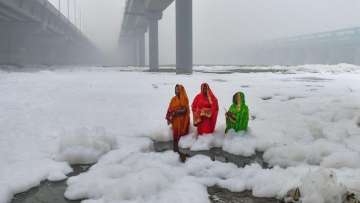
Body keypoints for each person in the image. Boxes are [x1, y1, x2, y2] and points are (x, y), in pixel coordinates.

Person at [166, 84, 190, 152]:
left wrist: (175, 112)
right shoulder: (173, 99)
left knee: (182, 135)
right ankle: (175, 150)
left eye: (178, 89)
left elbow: (185, 110)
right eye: (175, 89)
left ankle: (182, 151)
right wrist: (168, 117)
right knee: (175, 136)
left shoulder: (185, 99)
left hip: (183, 120)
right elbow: (170, 108)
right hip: (176, 121)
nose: (176, 91)